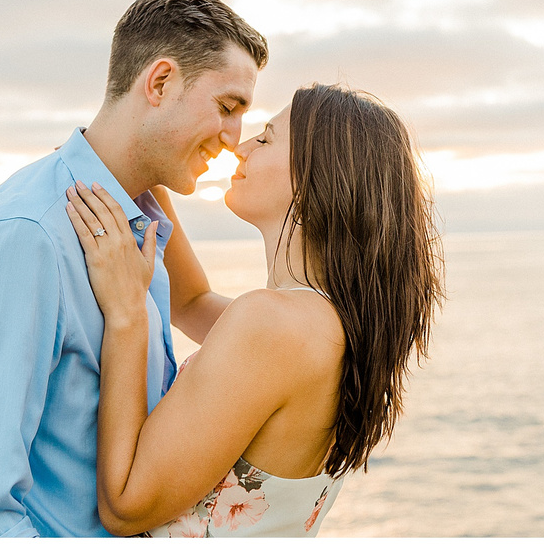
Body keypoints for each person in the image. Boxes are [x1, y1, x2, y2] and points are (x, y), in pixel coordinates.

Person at [0, 0, 268, 537]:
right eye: (227, 108)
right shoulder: (26, 236)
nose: (233, 140)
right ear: (159, 83)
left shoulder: (143, 220)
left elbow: (200, 309)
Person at [65, 82, 445, 537]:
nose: (240, 148)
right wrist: (140, 168)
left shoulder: (274, 324)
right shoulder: (329, 324)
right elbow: (191, 302)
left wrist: (126, 313)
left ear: (312, 180)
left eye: (265, 139)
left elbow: (126, 506)